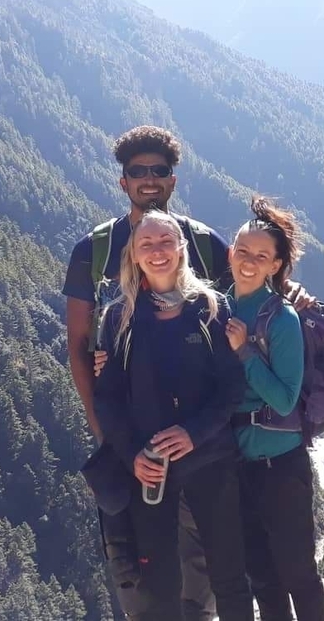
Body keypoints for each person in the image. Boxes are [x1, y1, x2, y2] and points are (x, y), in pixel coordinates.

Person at [64, 125, 228, 620]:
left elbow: (242, 314)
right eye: (138, 172)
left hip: (198, 442)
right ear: (123, 182)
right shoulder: (92, 251)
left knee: (199, 576)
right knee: (135, 570)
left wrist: (297, 298)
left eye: (159, 171)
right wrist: (114, 439)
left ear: (172, 181)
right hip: (126, 436)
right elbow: (78, 346)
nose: (149, 180)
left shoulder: (201, 245)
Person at [93, 210, 253, 621]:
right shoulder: (118, 318)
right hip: (150, 468)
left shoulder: (211, 309)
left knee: (229, 573)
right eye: (146, 244)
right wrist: (133, 457)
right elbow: (108, 399)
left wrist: (193, 434)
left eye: (166, 241)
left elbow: (231, 387)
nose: (157, 251)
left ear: (182, 249)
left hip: (210, 458)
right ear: (134, 255)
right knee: (159, 580)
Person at [224, 197, 324, 621]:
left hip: (280, 465)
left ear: (275, 265)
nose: (249, 262)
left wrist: (246, 352)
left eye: (261, 256)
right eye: (243, 252)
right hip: (239, 462)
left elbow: (285, 398)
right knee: (262, 575)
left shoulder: (281, 318)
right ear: (231, 253)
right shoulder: (219, 305)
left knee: (297, 573)